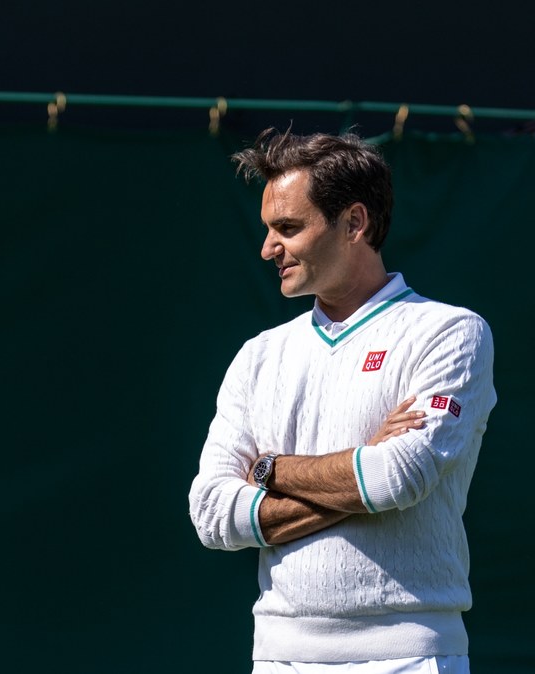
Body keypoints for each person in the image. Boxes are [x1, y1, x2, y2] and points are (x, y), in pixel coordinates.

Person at [188, 130, 497, 674]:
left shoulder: (450, 332)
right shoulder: (258, 356)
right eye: (267, 230)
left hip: (413, 656)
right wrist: (359, 467)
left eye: (288, 228)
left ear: (354, 223)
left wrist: (267, 469)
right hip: (279, 658)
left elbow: (396, 479)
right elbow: (212, 515)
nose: (267, 248)